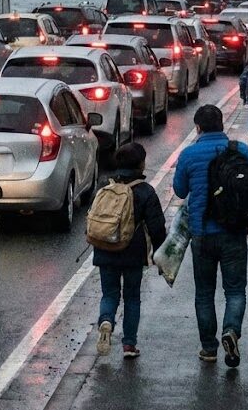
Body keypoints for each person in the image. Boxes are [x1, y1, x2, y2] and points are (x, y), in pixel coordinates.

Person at [173, 104, 248, 367]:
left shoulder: (189, 154)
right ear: (222, 125)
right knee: (235, 290)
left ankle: (209, 348)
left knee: (204, 292)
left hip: (202, 234)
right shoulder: (241, 151)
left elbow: (180, 190)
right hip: (234, 232)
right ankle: (231, 330)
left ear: (198, 127)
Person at [95, 143, 168, 359]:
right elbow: (157, 227)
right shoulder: (145, 191)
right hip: (133, 252)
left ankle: (106, 320)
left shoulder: (103, 185)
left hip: (105, 248)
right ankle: (129, 345)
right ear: (140, 165)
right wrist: (160, 254)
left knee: (109, 293)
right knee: (132, 297)